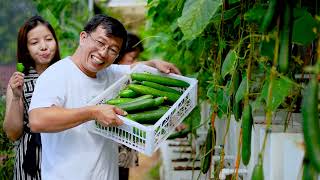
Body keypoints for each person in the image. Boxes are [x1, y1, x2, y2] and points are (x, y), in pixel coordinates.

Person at [28, 14, 181, 180]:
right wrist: (92, 113)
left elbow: (132, 68)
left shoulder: (108, 73)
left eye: (113, 50)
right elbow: (37, 120)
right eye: (100, 42)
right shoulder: (57, 74)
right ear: (83, 37)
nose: (103, 53)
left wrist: (153, 63)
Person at [3, 15, 61, 179]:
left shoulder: (65, 74)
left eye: (48, 39)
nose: (44, 46)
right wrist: (16, 97)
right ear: (26, 48)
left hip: (62, 151)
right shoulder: (19, 81)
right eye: (34, 42)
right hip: (30, 154)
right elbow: (13, 133)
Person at [116, 32, 143, 180]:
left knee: (122, 174)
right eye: (133, 58)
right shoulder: (108, 76)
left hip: (125, 142)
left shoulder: (132, 78)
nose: (136, 62)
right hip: (111, 143)